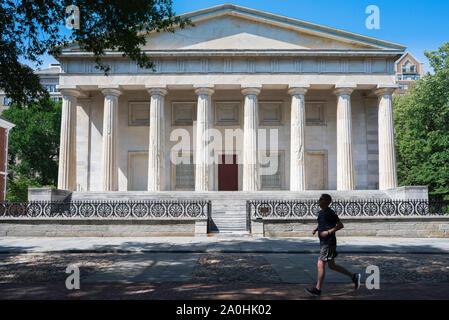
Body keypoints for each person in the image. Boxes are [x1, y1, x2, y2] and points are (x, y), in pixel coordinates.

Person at [305, 194, 361, 296]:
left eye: (321, 199)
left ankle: (318, 289)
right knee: (332, 266)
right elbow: (322, 223)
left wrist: (328, 232)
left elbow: (340, 225)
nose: (319, 200)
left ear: (326, 201)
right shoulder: (321, 213)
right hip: (323, 242)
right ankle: (354, 277)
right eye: (320, 198)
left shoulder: (330, 212)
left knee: (320, 264)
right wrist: (316, 229)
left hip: (329, 242)